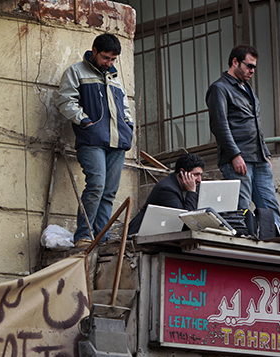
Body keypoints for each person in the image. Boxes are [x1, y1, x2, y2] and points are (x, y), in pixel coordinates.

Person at [55, 33, 134, 247]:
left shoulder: (114, 77)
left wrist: (129, 125)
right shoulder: (76, 71)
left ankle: (102, 237)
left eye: (113, 60)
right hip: (91, 140)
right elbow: (64, 100)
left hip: (118, 141)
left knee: (109, 192)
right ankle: (83, 234)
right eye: (106, 58)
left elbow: (124, 107)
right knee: (96, 185)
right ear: (95, 51)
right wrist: (84, 121)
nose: (109, 63)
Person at [205, 44, 280, 227]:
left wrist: (266, 154)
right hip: (238, 159)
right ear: (235, 62)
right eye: (249, 66)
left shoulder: (248, 89)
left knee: (270, 206)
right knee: (242, 208)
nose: (252, 70)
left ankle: (275, 242)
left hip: (259, 158)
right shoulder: (219, 88)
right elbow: (219, 125)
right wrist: (235, 155)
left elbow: (255, 124)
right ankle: (244, 248)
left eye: (254, 67)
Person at [127, 153, 205, 235]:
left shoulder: (196, 186)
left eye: (201, 175)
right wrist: (192, 192)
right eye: (196, 174)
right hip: (142, 236)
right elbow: (186, 222)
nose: (199, 180)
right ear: (182, 173)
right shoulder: (166, 188)